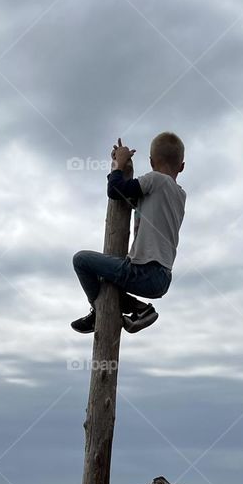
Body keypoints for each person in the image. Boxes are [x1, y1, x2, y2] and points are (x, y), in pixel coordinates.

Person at [71, 131, 186, 335]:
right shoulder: (179, 194)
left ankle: (100, 311)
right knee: (107, 280)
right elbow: (126, 198)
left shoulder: (155, 180)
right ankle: (140, 309)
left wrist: (119, 164)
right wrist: (122, 166)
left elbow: (115, 190)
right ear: (182, 166)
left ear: (151, 162)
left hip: (145, 271)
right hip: (161, 278)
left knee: (81, 260)